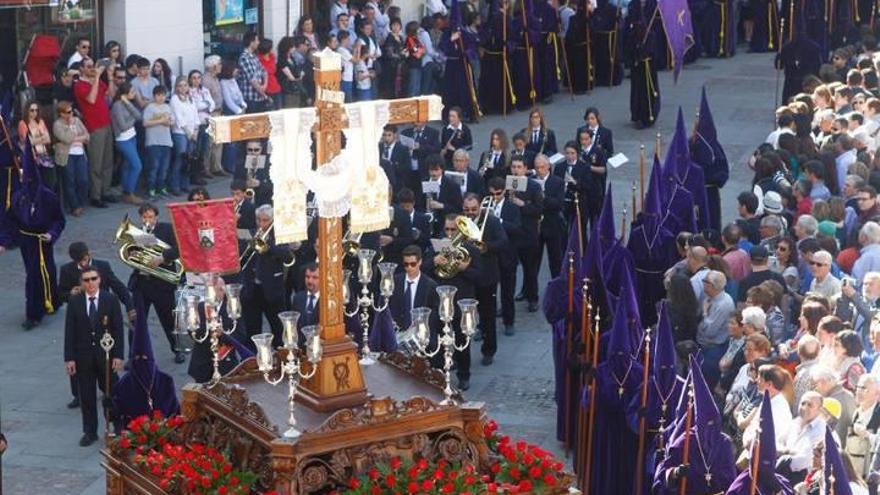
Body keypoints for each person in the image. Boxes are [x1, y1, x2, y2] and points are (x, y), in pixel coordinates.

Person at [63, 266, 124, 446]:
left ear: (99, 279)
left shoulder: (110, 300)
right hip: (83, 358)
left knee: (111, 392)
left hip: (105, 355)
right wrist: (69, 358)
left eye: (93, 279)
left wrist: (118, 356)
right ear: (81, 282)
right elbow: (70, 331)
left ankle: (117, 425)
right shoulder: (75, 301)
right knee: (87, 396)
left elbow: (118, 329)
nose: (90, 283)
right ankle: (89, 431)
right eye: (86, 280)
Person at [421, 214, 483, 391]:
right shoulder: (437, 247)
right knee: (440, 337)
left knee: (462, 338)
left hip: (461, 300)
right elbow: (423, 269)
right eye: (446, 229)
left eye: (453, 230)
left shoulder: (471, 250)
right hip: (441, 300)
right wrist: (434, 261)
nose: (449, 233)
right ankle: (441, 373)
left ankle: (464, 375)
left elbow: (481, 277)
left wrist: (465, 268)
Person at [129, 204, 183, 362]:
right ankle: (133, 355)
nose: (148, 220)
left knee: (168, 320)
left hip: (161, 284)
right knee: (137, 322)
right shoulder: (137, 233)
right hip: (141, 283)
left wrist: (163, 257)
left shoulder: (166, 229)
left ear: (157, 217)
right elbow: (130, 254)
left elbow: (179, 248)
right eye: (145, 217)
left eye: (151, 217)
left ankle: (177, 350)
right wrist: (134, 253)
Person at [461, 193, 507, 365]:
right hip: (465, 276)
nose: (470, 213)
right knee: (462, 318)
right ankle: (460, 355)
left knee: (488, 316)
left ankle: (489, 350)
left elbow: (503, 242)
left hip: (487, 276)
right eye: (466, 209)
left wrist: (484, 247)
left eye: (473, 209)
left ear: (480, 207)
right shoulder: (460, 222)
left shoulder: (492, 222)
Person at [242, 205, 292, 347]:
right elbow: (242, 258)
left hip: (272, 289)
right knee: (252, 328)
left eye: (265, 220)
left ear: (272, 221)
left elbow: (287, 255)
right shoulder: (251, 233)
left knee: (278, 328)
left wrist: (267, 247)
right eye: (258, 220)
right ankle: (252, 359)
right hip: (252, 289)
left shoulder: (280, 236)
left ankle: (281, 357)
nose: (261, 224)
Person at [73, 57, 115, 208]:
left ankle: (106, 191)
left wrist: (109, 76)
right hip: (94, 127)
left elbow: (110, 93)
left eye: (93, 65)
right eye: (89, 66)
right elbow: (91, 99)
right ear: (82, 69)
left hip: (106, 124)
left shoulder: (95, 81)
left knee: (107, 161)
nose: (92, 68)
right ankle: (95, 196)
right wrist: (96, 77)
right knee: (96, 163)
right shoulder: (80, 85)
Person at [777, 391, 827, 485]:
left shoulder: (821, 430)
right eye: (803, 403)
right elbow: (776, 443)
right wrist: (786, 452)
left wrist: (783, 458)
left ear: (819, 410)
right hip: (782, 473)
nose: (805, 407)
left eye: (810, 405)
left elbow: (803, 461)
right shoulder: (794, 423)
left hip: (803, 480)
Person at [389, 245, 439, 332]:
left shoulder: (430, 285)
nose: (409, 268)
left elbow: (434, 314)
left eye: (413, 264)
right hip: (397, 332)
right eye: (406, 264)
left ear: (420, 262)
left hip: (420, 333)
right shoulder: (394, 281)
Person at [52, 101, 89, 216]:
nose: (71, 114)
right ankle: (74, 206)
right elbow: (66, 139)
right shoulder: (57, 125)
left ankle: (80, 202)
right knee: (70, 181)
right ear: (61, 114)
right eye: (68, 112)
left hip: (79, 153)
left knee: (83, 180)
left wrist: (77, 138)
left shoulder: (77, 121)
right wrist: (70, 127)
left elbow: (87, 136)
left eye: (71, 111)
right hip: (67, 155)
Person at [110, 82, 143, 205]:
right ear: (124, 94)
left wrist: (128, 103)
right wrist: (133, 119)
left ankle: (126, 191)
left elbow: (139, 115)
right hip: (123, 139)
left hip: (131, 137)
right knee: (137, 165)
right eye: (132, 92)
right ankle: (130, 192)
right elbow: (123, 126)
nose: (134, 94)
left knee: (128, 165)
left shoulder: (127, 103)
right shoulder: (117, 106)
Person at [534, 154, 566, 279]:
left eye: (542, 167)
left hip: (552, 225)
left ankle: (556, 285)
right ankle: (529, 290)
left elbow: (558, 204)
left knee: (555, 259)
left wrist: (543, 198)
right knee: (533, 260)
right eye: (537, 167)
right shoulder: (531, 180)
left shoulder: (557, 182)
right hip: (536, 225)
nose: (539, 170)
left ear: (548, 167)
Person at [142, 85, 173, 199]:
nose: (161, 97)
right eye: (158, 95)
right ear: (154, 96)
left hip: (166, 141)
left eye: (163, 95)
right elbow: (145, 123)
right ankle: (151, 189)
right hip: (153, 141)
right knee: (154, 166)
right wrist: (160, 121)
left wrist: (167, 122)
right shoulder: (150, 107)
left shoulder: (167, 107)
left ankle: (162, 188)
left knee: (164, 167)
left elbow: (171, 121)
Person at [169, 76, 198, 196]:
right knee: (180, 158)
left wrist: (196, 130)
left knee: (189, 159)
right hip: (181, 133)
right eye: (180, 86)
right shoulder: (175, 99)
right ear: (176, 87)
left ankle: (185, 184)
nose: (183, 88)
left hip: (192, 132)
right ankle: (175, 185)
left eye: (185, 85)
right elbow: (178, 117)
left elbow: (195, 115)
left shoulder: (190, 98)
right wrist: (188, 132)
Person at [18, 100, 55, 190]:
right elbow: (26, 142)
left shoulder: (41, 122)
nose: (34, 113)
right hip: (33, 156)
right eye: (32, 110)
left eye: (36, 110)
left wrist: (36, 140)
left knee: (49, 181)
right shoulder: (23, 123)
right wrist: (41, 138)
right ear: (27, 110)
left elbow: (48, 139)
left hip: (44, 154)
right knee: (36, 182)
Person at [237, 32, 270, 113]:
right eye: (257, 40)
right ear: (251, 42)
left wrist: (265, 85)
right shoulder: (244, 58)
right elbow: (252, 80)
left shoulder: (254, 56)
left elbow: (264, 71)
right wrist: (263, 93)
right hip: (251, 98)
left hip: (260, 96)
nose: (258, 42)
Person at [291, 263, 321, 331]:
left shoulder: (327, 301)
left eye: (315, 277)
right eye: (307, 277)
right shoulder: (298, 298)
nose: (310, 281)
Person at [256, 38, 281, 109]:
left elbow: (273, 69)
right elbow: (265, 71)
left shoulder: (272, 57)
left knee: (278, 109)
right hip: (266, 88)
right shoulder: (258, 59)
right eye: (271, 48)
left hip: (275, 86)